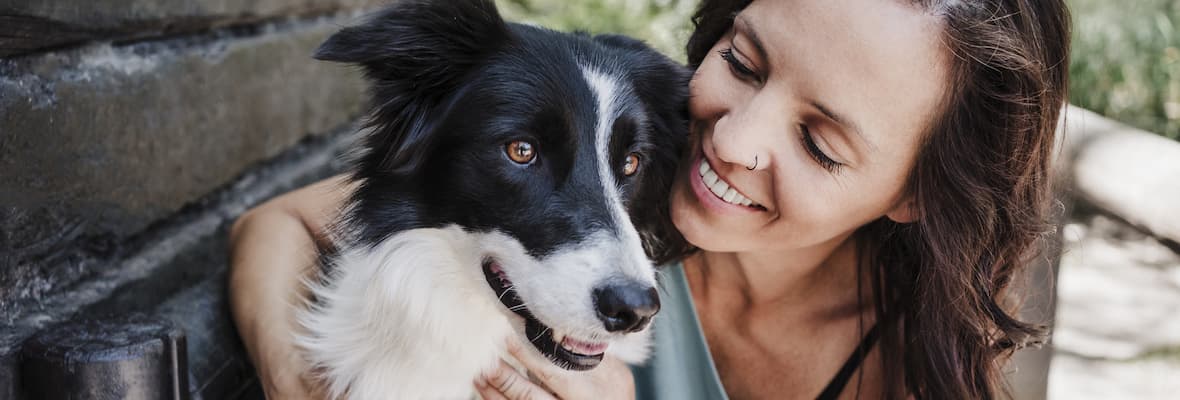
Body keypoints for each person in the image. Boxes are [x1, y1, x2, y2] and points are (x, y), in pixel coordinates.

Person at [229, 0, 1071, 398]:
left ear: (917, 192)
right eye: (743, 62)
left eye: (818, 143)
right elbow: (274, 224)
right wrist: (292, 378)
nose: (733, 142)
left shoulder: (914, 377)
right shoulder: (638, 164)